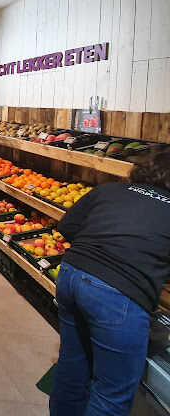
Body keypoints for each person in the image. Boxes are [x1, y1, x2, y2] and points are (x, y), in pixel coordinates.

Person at [50, 148, 170, 415]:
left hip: (71, 274)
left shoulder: (110, 190)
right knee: (111, 395)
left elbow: (67, 226)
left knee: (71, 372)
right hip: (119, 293)